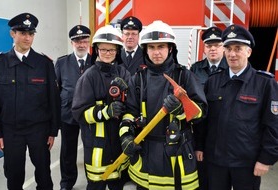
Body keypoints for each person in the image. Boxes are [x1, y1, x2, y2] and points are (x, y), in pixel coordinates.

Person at [118, 20, 208, 189]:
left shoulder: (184, 76)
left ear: (170, 48)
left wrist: (181, 109)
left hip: (177, 153)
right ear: (145, 50)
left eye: (161, 47)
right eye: (151, 47)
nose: (156, 52)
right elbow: (129, 112)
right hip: (146, 152)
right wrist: (126, 136)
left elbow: (201, 113)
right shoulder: (138, 78)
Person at [0, 13, 61, 190]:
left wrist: (52, 131)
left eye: (31, 34)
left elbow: (53, 100)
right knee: (13, 174)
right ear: (13, 34)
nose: (27, 38)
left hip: (39, 129)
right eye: (22, 33)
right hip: (11, 130)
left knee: (44, 173)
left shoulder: (44, 63)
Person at [202, 24, 278, 189]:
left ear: (248, 52)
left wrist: (266, 159)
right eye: (228, 49)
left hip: (247, 164)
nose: (232, 54)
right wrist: (199, 147)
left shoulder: (265, 83)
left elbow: (273, 125)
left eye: (238, 48)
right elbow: (204, 120)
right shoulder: (213, 81)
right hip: (216, 161)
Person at [71, 25, 131, 190]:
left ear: (117, 51)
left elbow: (132, 104)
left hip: (118, 143)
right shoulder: (88, 77)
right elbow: (79, 113)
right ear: (96, 50)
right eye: (103, 49)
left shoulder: (124, 73)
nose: (107, 53)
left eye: (111, 50)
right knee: (96, 185)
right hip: (97, 145)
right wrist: (105, 112)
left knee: (117, 183)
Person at [190, 26, 228, 190]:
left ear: (223, 47)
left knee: (222, 182)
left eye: (217, 45)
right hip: (202, 130)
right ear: (204, 48)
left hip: (225, 133)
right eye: (209, 45)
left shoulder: (232, 69)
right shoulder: (195, 69)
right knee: (202, 178)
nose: (212, 49)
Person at [55, 25, 92, 190]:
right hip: (67, 114)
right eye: (77, 41)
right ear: (72, 43)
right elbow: (56, 90)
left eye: (84, 40)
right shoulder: (62, 62)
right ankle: (67, 182)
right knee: (67, 152)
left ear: (89, 42)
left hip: (89, 115)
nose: (81, 44)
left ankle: (93, 180)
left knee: (91, 150)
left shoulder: (96, 61)